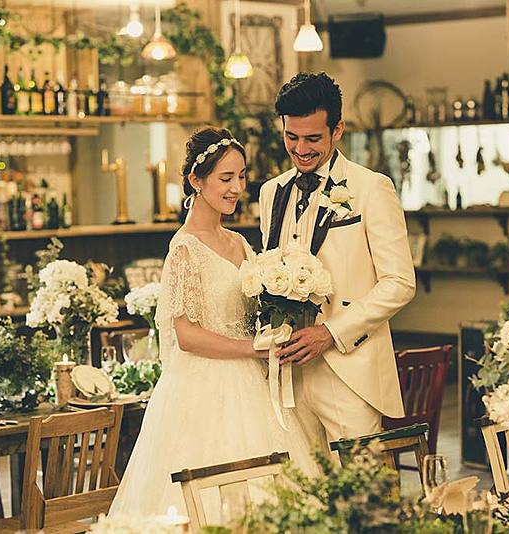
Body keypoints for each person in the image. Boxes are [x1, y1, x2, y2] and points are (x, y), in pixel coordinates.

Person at [109, 126, 314, 518]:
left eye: (241, 177)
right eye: (226, 178)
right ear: (196, 181)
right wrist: (251, 348)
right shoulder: (184, 248)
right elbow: (186, 335)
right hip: (204, 384)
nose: (237, 188)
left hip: (253, 379)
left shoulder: (239, 242)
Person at [259, 72, 416, 448]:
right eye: (291, 137)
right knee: (300, 481)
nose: (300, 149)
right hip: (287, 375)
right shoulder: (271, 192)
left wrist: (330, 333)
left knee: (359, 481)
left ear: (338, 130)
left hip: (349, 371)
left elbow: (399, 283)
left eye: (313, 138)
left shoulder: (371, 187)